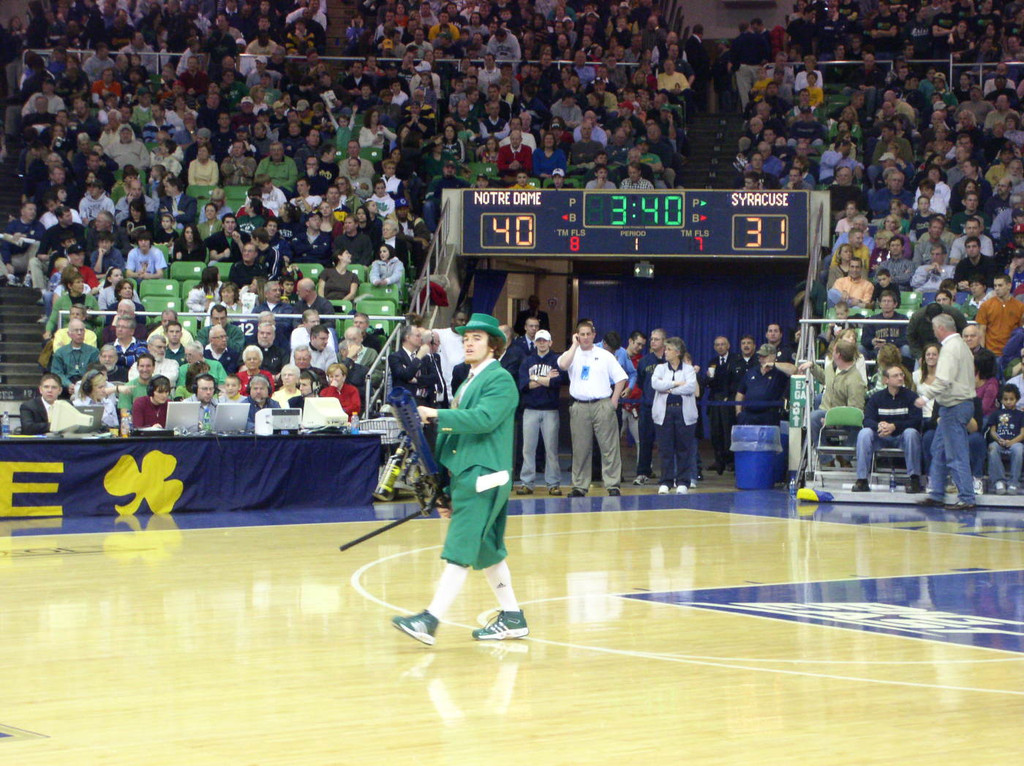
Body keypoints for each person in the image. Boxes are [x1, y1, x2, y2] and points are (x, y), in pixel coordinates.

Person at [392, 313, 526, 646]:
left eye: (477, 338)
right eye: (466, 338)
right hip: (469, 474)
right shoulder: (468, 379)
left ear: (493, 345)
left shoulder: (499, 380)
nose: (468, 342)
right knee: (486, 551)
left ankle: (430, 620)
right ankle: (512, 617)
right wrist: (446, 489)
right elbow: (458, 439)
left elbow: (483, 420)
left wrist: (437, 414)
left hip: (485, 474)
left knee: (460, 548)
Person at [558, 319, 628, 497]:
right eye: (582, 334)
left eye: (589, 334)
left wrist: (614, 400)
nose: (586, 337)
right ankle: (580, 485)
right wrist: (574, 346)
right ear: (577, 336)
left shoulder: (605, 355)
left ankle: (612, 484)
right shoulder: (571, 354)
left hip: (602, 404)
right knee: (580, 448)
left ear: (594, 335)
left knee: (609, 447)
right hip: (580, 406)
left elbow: (621, 377)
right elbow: (563, 365)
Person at [916, 314, 977, 510]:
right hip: (957, 405)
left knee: (955, 454)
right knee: (939, 451)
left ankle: (967, 497)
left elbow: (943, 380)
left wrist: (925, 396)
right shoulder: (961, 346)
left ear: (941, 328)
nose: (933, 332)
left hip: (954, 406)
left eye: (934, 328)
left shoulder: (950, 349)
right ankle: (936, 494)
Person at [853, 365, 924, 493]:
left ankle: (914, 480)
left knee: (912, 433)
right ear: (886, 380)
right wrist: (879, 426)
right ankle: (862, 480)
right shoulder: (876, 398)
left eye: (901, 375)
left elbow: (916, 420)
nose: (900, 378)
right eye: (895, 376)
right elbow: (867, 419)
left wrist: (894, 427)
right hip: (881, 436)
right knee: (864, 433)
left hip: (901, 437)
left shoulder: (912, 397)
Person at [516, 329, 562, 495]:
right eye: (539, 341)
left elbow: (557, 382)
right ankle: (527, 483)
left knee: (551, 448)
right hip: (530, 410)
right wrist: (544, 379)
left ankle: (553, 483)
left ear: (550, 342)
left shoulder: (556, 360)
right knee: (528, 448)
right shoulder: (527, 361)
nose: (541, 343)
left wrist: (534, 378)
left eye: (545, 341)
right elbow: (524, 385)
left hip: (550, 410)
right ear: (535, 343)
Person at [651, 337, 699, 495]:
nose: (665, 352)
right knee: (665, 448)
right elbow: (655, 384)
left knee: (684, 448)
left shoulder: (688, 370)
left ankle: (683, 481)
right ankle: (665, 481)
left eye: (669, 349)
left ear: (678, 352)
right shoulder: (660, 368)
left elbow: (691, 387)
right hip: (664, 413)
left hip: (683, 413)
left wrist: (670, 389)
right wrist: (676, 384)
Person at [736, 344, 796, 425]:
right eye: (760, 356)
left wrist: (773, 364)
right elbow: (740, 393)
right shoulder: (752, 372)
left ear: (773, 356)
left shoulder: (779, 372)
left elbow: (794, 370)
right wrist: (738, 412)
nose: (761, 359)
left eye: (764, 356)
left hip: (769, 415)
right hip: (749, 415)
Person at [987, 384, 1024, 495]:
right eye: (1005, 399)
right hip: (999, 441)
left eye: (1011, 399)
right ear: (1001, 400)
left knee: (1019, 449)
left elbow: (1023, 433)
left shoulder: (1021, 415)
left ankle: (1014, 482)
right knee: (992, 447)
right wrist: (999, 440)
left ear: (1017, 399)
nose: (1008, 402)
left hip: (1015, 442)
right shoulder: (996, 414)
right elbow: (993, 431)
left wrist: (1012, 442)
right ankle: (999, 481)